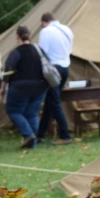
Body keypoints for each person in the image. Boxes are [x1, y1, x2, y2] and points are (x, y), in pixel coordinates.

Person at [1, 26, 49, 149]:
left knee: (14, 111)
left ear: (17, 36)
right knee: (32, 113)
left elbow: (8, 69)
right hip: (40, 86)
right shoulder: (39, 50)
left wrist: (2, 86)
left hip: (20, 86)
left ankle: (28, 135)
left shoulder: (17, 52)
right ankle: (32, 142)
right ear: (30, 35)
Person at [36, 12, 74, 145]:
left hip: (53, 69)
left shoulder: (46, 31)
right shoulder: (67, 29)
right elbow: (69, 50)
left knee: (55, 102)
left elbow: (43, 53)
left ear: (44, 22)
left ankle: (65, 135)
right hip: (65, 67)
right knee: (51, 101)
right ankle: (40, 134)